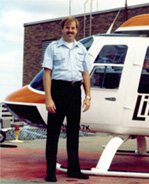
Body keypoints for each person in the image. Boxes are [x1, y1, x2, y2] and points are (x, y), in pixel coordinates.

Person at [42, 16, 91, 182]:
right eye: (67, 28)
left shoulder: (81, 49)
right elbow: (47, 73)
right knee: (53, 134)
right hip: (58, 91)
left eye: (73, 28)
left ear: (77, 30)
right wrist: (48, 98)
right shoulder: (53, 48)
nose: (70, 31)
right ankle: (50, 172)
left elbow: (85, 74)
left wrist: (88, 96)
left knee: (73, 133)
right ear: (62, 29)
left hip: (74, 91)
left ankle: (73, 170)